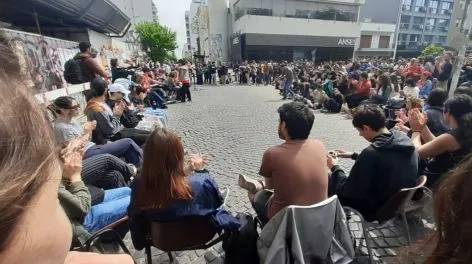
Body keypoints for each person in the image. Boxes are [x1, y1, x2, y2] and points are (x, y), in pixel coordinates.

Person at [0, 33, 132, 263]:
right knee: (118, 155)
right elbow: (79, 206)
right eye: (49, 199)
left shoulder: (77, 119)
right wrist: (75, 175)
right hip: (85, 167)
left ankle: (131, 181)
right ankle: (134, 174)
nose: (74, 109)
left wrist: (84, 137)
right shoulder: (87, 113)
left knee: (116, 173)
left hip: (84, 156)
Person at [127, 128, 239, 250]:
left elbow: (135, 215)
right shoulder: (201, 181)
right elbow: (217, 202)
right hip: (203, 235)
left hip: (161, 241)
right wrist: (201, 171)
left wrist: (189, 170)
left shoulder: (139, 185)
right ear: (178, 157)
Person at [238, 102, 328, 225]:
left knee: (256, 195)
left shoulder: (272, 153)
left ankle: (267, 230)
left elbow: (270, 187)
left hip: (286, 220)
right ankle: (258, 184)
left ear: (283, 125)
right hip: (319, 216)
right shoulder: (320, 145)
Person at [328, 104, 418, 220]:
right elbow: (385, 161)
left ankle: (335, 222)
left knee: (329, 179)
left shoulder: (371, 153)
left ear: (366, 128)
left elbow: (348, 191)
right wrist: (354, 155)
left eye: (359, 131)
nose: (360, 134)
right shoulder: (403, 139)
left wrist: (335, 167)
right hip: (395, 203)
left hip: (375, 209)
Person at [58, 148, 131, 246]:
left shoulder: (45, 170)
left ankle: (115, 239)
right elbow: (82, 208)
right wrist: (75, 176)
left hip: (81, 203)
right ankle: (110, 241)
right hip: (81, 221)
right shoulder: (46, 182)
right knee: (136, 199)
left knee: (127, 190)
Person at [51, 96, 143, 166]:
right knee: (128, 143)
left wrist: (90, 130)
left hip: (92, 147)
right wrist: (87, 132)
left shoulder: (73, 121)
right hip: (86, 154)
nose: (78, 109)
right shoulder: (61, 128)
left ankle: (137, 169)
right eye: (74, 107)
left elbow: (87, 140)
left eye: (78, 106)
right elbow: (77, 150)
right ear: (63, 110)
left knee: (128, 149)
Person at [410, 94, 472, 187]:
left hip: (437, 183)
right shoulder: (462, 131)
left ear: (448, 112)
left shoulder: (452, 137)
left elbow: (416, 154)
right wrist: (422, 126)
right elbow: (437, 143)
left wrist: (416, 131)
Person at [85, 78, 150, 146]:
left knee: (151, 135)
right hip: (111, 137)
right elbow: (110, 131)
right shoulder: (96, 108)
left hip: (119, 130)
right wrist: (117, 115)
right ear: (105, 90)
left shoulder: (99, 104)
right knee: (150, 138)